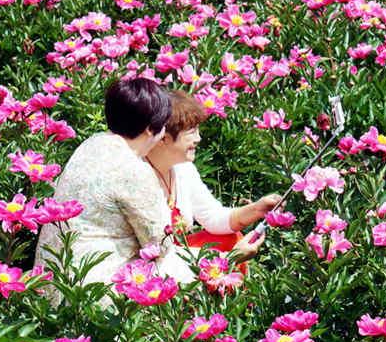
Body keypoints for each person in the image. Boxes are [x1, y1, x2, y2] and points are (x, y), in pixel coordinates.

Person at [35, 77, 176, 308]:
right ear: (151, 128)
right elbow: (160, 244)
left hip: (49, 286)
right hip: (92, 297)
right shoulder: (133, 169)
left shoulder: (91, 145)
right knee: (186, 268)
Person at [145, 90, 282, 267]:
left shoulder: (183, 169)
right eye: (191, 132)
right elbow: (154, 253)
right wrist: (229, 257)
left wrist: (258, 209)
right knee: (227, 251)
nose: (198, 138)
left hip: (177, 254)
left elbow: (213, 216)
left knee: (230, 238)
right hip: (152, 262)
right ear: (164, 138)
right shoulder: (139, 177)